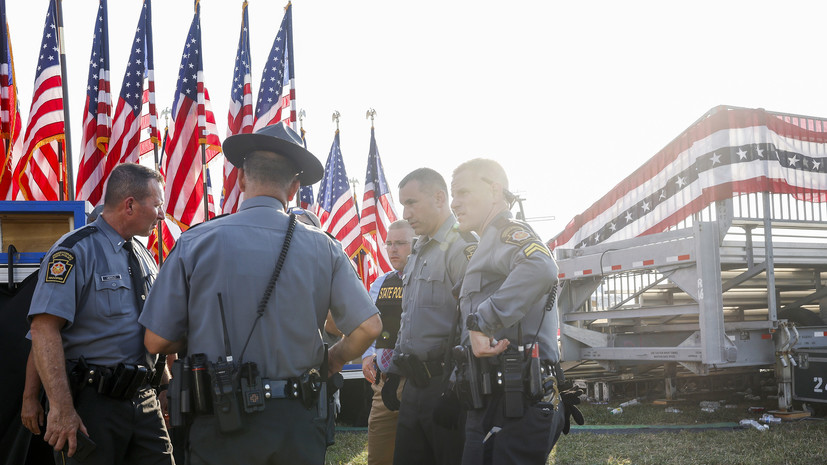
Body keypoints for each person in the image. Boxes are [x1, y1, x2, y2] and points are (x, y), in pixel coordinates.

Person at [139, 122, 382, 465]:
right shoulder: (324, 247)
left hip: (221, 421)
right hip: (298, 422)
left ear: (240, 178)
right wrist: (335, 360)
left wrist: (203, 329)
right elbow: (369, 327)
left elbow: (155, 341)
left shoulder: (195, 243)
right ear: (295, 187)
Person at [28, 163, 173, 465]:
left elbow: (153, 327)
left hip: (144, 402)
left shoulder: (145, 255)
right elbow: (43, 330)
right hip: (92, 405)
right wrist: (61, 408)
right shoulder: (73, 251)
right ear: (130, 205)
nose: (162, 214)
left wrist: (163, 387)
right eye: (157, 204)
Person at [450, 158, 575, 465]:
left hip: (518, 398)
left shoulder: (508, 233)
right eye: (453, 196)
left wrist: (482, 323)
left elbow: (541, 266)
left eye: (463, 193)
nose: (455, 204)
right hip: (492, 398)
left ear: (495, 191)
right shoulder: (485, 243)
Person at [385, 168, 477, 465]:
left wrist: (455, 389)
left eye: (411, 202)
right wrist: (395, 371)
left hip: (445, 386)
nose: (406, 212)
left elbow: (473, 324)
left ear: (439, 198)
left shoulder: (462, 246)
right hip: (413, 387)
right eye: (403, 204)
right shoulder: (419, 250)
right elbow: (408, 317)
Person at [360, 220, 414, 465]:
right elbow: (372, 326)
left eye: (401, 243)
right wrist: (366, 356)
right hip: (385, 382)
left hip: (421, 382)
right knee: (379, 455)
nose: (393, 250)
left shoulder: (433, 279)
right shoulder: (380, 283)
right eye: (389, 243)